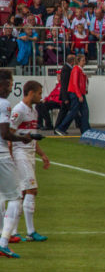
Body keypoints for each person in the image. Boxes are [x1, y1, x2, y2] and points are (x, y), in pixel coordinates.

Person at [9, 81, 50, 242]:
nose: (41, 96)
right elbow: (8, 135)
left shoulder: (33, 111)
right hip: (20, 154)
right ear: (31, 93)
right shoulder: (18, 110)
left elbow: (32, 137)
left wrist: (43, 155)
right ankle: (30, 231)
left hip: (30, 154)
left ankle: (14, 232)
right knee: (31, 190)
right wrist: (11, 157)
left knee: (23, 193)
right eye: (39, 93)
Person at [0, 70, 32, 258]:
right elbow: (4, 133)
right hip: (2, 155)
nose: (11, 89)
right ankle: (4, 241)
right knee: (15, 198)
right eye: (9, 85)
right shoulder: (4, 104)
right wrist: (22, 138)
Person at [55, 54, 90, 135]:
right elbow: (75, 83)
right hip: (76, 93)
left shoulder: (78, 69)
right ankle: (61, 127)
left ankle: (86, 130)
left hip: (79, 93)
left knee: (83, 112)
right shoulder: (76, 69)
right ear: (79, 61)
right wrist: (79, 94)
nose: (84, 62)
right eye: (83, 60)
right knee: (76, 112)